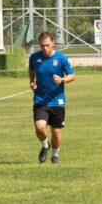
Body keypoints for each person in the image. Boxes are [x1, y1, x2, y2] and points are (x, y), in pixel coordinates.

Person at [28, 32, 75, 164]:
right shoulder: (34, 57)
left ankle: (55, 155)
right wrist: (32, 81)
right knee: (39, 127)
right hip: (40, 100)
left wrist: (62, 80)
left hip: (57, 101)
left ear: (53, 42)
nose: (45, 48)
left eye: (47, 45)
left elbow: (72, 75)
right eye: (42, 46)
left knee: (55, 131)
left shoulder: (61, 58)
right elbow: (31, 69)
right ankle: (45, 145)